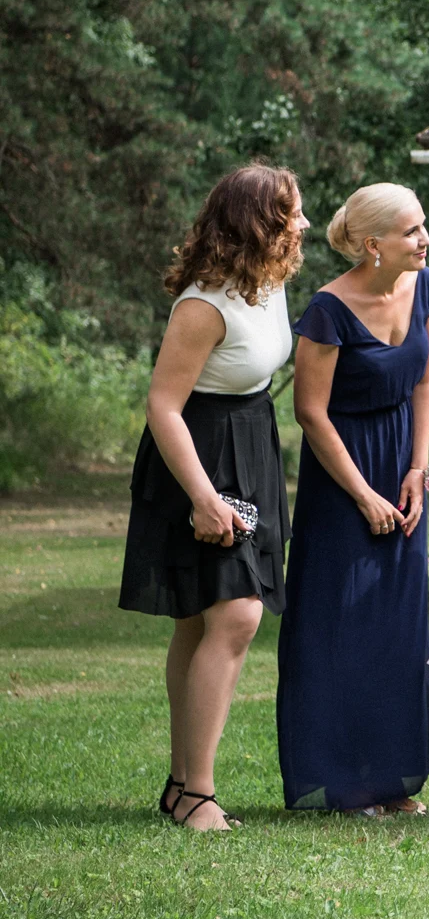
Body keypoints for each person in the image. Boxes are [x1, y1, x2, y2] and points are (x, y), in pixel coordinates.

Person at [120, 165, 307, 831]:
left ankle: (181, 787)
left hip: (251, 442)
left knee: (201, 621)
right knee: (236, 616)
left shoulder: (271, 280)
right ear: (259, 224)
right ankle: (198, 793)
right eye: (291, 214)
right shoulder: (203, 304)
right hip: (196, 454)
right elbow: (163, 405)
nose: (303, 224)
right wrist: (202, 497)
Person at [276, 183, 429, 815]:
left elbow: (425, 378)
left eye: (423, 226)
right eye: (412, 231)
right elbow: (310, 413)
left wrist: (417, 468)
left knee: (396, 626)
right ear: (374, 244)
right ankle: (345, 783)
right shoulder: (328, 310)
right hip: (342, 474)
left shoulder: (425, 288)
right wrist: (364, 495)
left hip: (401, 467)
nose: (426, 239)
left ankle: (391, 779)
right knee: (341, 625)